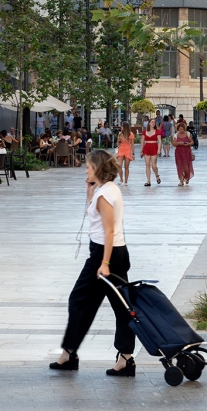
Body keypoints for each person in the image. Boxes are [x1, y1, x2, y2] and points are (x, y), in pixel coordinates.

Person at [49, 150, 136, 377]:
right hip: (115, 252)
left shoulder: (105, 195)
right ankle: (125, 358)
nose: (85, 169)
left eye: (88, 166)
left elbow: (108, 231)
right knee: (123, 308)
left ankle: (69, 354)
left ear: (97, 168)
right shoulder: (107, 190)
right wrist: (89, 193)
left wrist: (104, 263)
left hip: (104, 255)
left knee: (78, 300)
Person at [173, 121, 194, 186]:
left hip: (187, 152)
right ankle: (181, 180)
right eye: (179, 129)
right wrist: (179, 143)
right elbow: (173, 144)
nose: (181, 130)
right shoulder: (176, 135)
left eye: (182, 129)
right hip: (178, 152)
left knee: (186, 167)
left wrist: (188, 144)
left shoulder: (188, 134)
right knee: (179, 166)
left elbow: (192, 142)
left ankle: (187, 177)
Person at [141, 118, 161, 187]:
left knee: (153, 165)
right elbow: (142, 141)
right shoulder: (144, 131)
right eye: (152, 122)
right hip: (147, 147)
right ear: (149, 123)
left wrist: (159, 149)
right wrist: (141, 150)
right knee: (147, 164)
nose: (153, 123)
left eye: (154, 122)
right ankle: (148, 181)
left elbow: (159, 141)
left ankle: (157, 175)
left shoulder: (157, 131)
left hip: (154, 147)